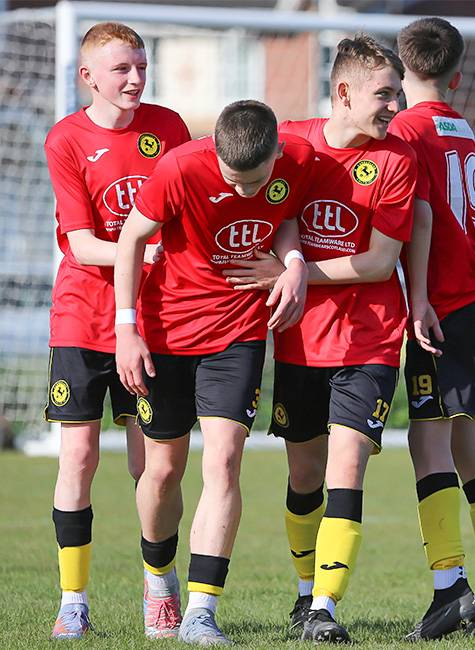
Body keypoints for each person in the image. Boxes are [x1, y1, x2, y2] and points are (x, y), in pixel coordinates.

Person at [224, 36, 416, 643]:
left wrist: (295, 271)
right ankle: (305, 596)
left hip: (371, 340)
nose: (396, 104)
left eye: (399, 91)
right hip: (301, 340)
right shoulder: (293, 143)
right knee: (304, 474)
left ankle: (326, 610)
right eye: (384, 93)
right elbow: (274, 216)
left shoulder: (397, 159)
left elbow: (381, 262)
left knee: (346, 469)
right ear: (344, 92)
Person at [113, 99, 315, 644]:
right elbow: (131, 238)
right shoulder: (179, 166)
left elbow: (287, 216)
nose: (248, 193)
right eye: (235, 181)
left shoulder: (296, 159)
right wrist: (125, 329)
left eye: (259, 180)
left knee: (223, 463)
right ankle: (159, 582)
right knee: (162, 471)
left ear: (276, 153)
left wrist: (293, 264)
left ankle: (202, 611)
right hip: (167, 333)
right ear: (216, 155)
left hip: (239, 332)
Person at [44, 22, 190, 639]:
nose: (134, 79)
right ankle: (72, 599)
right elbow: (80, 243)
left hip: (152, 321)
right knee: (77, 455)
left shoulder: (171, 128)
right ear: (88, 76)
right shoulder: (65, 139)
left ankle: (159, 585)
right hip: (83, 314)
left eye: (140, 66)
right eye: (120, 69)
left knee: (150, 467)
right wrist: (147, 252)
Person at [388, 17, 475, 640]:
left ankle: (450, 588)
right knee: (468, 444)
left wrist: (416, 298)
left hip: (440, 305)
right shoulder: (466, 132)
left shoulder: (404, 130)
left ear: (399, 69)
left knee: (429, 441)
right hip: (472, 301)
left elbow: (418, 218)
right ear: (458, 75)